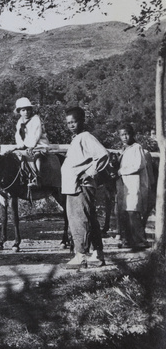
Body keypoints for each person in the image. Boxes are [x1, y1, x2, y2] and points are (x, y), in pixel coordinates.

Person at [61, 106, 110, 269]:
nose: (71, 125)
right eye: (68, 123)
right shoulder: (77, 139)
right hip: (73, 186)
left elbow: (103, 155)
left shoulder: (86, 137)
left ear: (82, 121)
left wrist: (90, 173)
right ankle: (97, 253)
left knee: (79, 219)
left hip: (81, 185)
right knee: (88, 218)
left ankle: (81, 255)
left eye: (74, 122)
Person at [116, 124, 150, 250]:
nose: (124, 137)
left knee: (133, 212)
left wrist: (121, 171)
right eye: (122, 135)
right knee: (124, 212)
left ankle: (141, 240)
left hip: (135, 184)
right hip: (125, 185)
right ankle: (128, 240)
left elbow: (138, 165)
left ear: (132, 134)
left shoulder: (137, 148)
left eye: (127, 134)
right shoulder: (124, 150)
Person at [13, 97, 50, 187]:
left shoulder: (35, 119)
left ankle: (37, 177)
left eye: (28, 110)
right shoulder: (19, 122)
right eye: (23, 110)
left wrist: (31, 146)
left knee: (36, 156)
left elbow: (36, 134)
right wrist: (20, 145)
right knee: (17, 156)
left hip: (39, 143)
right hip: (26, 145)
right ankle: (23, 177)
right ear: (19, 112)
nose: (26, 112)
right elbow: (18, 135)